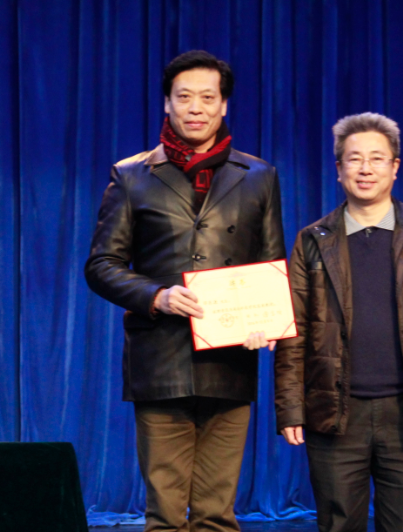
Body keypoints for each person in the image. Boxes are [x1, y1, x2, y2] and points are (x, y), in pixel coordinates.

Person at [85, 50, 285, 532]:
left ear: (224, 105)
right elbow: (101, 266)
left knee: (218, 514)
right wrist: (158, 296)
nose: (196, 108)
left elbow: (271, 267)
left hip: (230, 361)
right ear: (167, 103)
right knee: (166, 516)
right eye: (185, 97)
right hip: (161, 362)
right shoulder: (131, 175)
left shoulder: (259, 176)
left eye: (207, 98)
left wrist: (268, 322)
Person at [274, 112, 403, 532]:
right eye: (354, 159)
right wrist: (290, 407)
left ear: (395, 167)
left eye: (377, 159)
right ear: (338, 169)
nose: (365, 169)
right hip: (334, 413)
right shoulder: (312, 240)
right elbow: (294, 329)